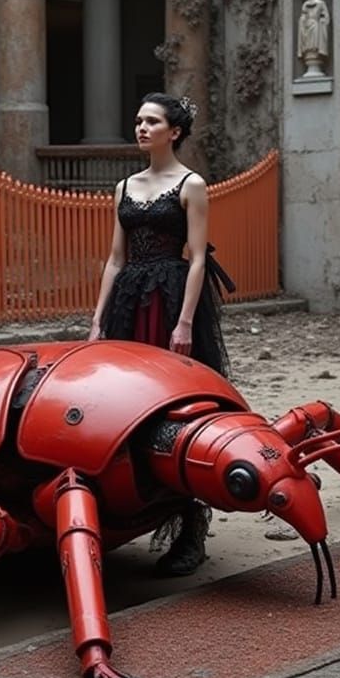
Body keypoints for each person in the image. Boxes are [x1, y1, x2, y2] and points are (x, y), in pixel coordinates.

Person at [89, 92, 231, 576]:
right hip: (130, 301)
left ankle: (191, 528)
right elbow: (114, 259)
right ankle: (131, 505)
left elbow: (196, 259)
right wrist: (97, 319)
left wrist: (186, 321)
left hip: (169, 299)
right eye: (138, 120)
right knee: (125, 406)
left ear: (175, 131)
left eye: (152, 121)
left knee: (176, 410)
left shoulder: (192, 185)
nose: (142, 128)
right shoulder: (125, 185)